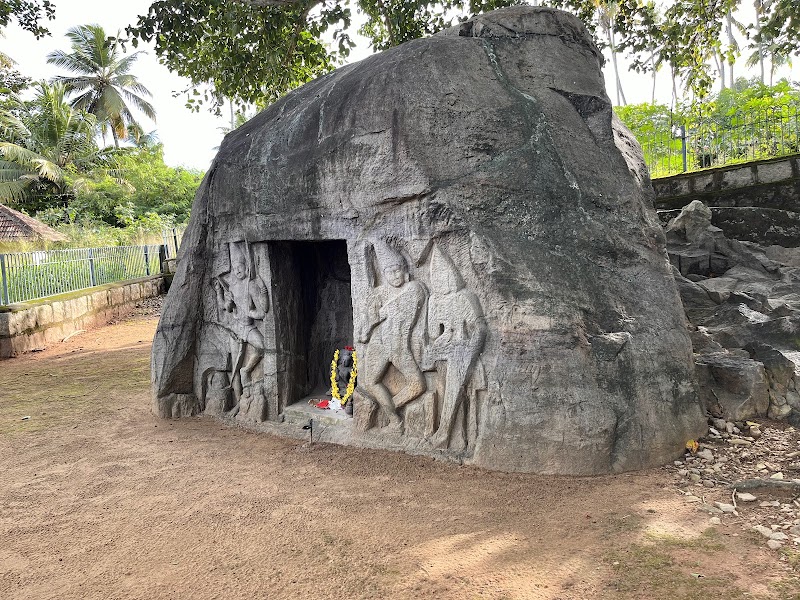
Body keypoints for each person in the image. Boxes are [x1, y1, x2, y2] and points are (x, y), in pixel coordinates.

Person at [358, 245, 427, 431]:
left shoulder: (414, 288)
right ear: (384, 274)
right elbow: (368, 321)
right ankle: (395, 421)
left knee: (418, 384)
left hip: (398, 345)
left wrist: (383, 312)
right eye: (389, 272)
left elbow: (408, 302)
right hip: (379, 343)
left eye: (398, 271)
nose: (394, 276)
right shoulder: (380, 293)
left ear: (405, 271)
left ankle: (389, 410)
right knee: (369, 382)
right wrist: (370, 323)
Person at [212, 244, 269, 415]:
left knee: (261, 346)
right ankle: (238, 402)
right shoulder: (233, 287)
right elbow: (225, 307)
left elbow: (263, 311)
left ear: (246, 267)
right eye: (235, 268)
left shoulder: (250, 285)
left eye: (240, 267)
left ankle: (248, 370)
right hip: (236, 329)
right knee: (235, 368)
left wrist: (262, 295)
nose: (237, 270)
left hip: (249, 327)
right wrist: (220, 294)